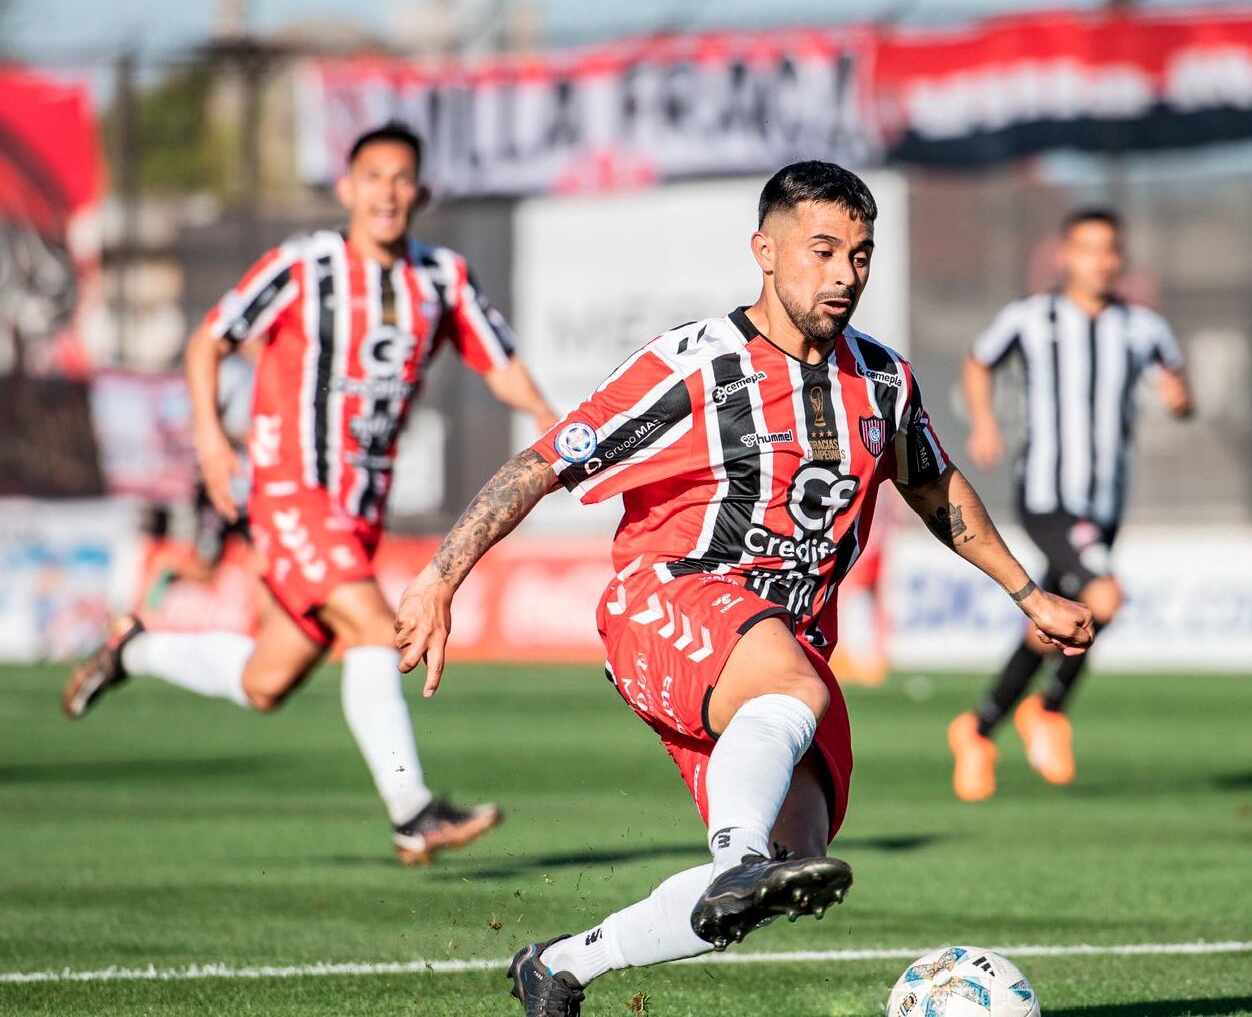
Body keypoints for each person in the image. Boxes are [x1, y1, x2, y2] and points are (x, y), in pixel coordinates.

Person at [392, 161, 1094, 1015]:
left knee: (791, 868)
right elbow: (542, 463)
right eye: (823, 250)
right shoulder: (694, 364)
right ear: (765, 251)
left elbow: (933, 486)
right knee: (761, 809)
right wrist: (438, 577)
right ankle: (734, 861)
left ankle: (563, 966)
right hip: (668, 599)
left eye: (861, 255)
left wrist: (1027, 593)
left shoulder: (882, 378)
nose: (844, 274)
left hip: (780, 650)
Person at [64, 122, 558, 865]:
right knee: (372, 625)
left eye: (402, 179)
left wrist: (551, 424)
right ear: (347, 189)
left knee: (266, 682)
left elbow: (500, 362)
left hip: (357, 511)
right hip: (289, 489)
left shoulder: (443, 278)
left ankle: (135, 650)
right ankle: (411, 811)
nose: (388, 192)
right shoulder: (303, 266)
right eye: (374, 177)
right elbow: (210, 340)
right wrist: (209, 434)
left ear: (418, 194)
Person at [948, 207, 1193, 801]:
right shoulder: (1032, 318)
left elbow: (1180, 390)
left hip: (1104, 503)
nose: (1101, 261)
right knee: (1103, 597)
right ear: (1065, 255)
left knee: (1055, 620)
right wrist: (983, 422)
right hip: (1048, 494)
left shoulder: (1144, 327)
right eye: (1088, 249)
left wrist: (1180, 398)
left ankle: (977, 728)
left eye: (1110, 250)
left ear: (1121, 259)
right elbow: (979, 363)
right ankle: (1048, 710)